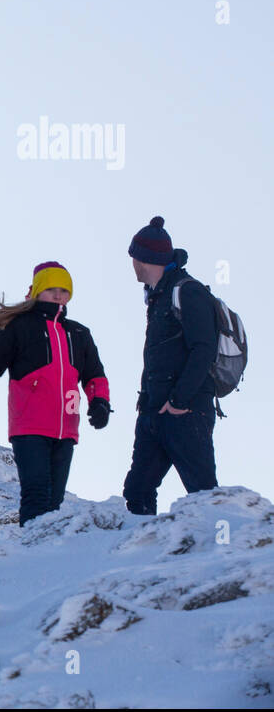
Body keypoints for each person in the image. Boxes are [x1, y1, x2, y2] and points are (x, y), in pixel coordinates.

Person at [0, 262, 111, 525]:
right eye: (52, 289)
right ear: (38, 291)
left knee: (55, 503)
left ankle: (47, 559)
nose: (58, 295)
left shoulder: (78, 333)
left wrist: (100, 402)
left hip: (66, 427)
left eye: (64, 290)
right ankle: (30, 555)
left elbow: (95, 375)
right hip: (29, 427)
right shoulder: (19, 327)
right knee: (36, 496)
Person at [122, 217, 220, 515]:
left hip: (186, 411)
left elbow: (204, 349)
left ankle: (220, 554)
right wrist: (146, 400)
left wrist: (180, 400)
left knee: (202, 492)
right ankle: (146, 554)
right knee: (137, 492)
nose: (132, 263)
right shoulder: (158, 297)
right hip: (155, 411)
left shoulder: (187, 291)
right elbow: (156, 354)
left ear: (144, 259)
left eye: (134, 257)